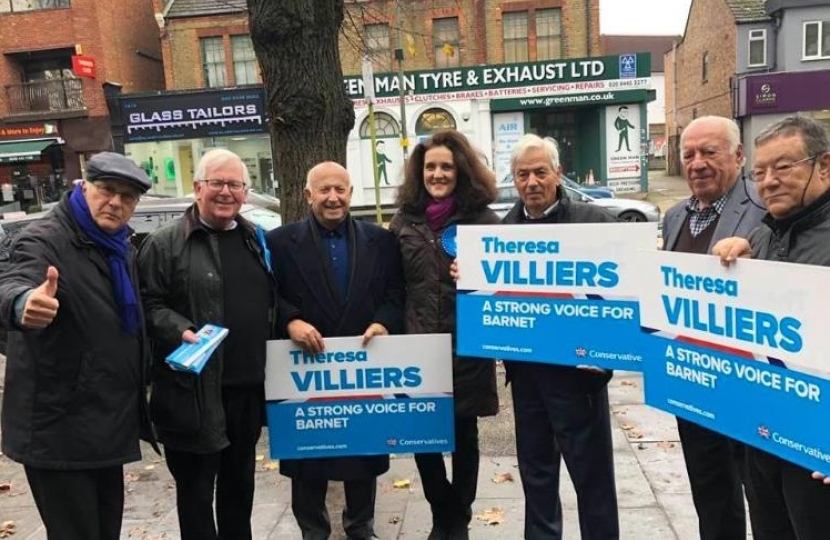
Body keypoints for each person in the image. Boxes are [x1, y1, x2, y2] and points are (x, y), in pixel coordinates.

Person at [0, 152, 154, 540]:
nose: (116, 202)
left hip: (104, 424)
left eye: (127, 197)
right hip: (59, 429)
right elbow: (14, 281)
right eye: (106, 191)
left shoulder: (117, 245)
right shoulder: (46, 237)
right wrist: (23, 303)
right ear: (84, 187)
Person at [136, 148, 277, 540]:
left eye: (235, 184)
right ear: (198, 187)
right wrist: (178, 327)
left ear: (246, 192)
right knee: (196, 497)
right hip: (190, 395)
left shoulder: (254, 239)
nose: (226, 192)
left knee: (239, 492)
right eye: (217, 182)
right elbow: (146, 304)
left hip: (245, 393)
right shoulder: (165, 244)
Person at [266, 161, 405, 540]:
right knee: (306, 453)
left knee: (363, 449)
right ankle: (313, 530)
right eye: (324, 190)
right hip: (305, 367)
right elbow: (266, 295)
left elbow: (396, 293)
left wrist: (385, 322)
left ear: (350, 194)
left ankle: (360, 527)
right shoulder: (279, 243)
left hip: (362, 366)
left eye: (340, 190)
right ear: (308, 195)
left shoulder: (381, 240)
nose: (333, 198)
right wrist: (290, 321)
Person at [713, 115, 830, 540]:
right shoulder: (761, 239)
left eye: (784, 167)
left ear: (825, 165)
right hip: (763, 438)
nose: (768, 182)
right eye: (759, 172)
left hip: (817, 453)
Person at [500, 134, 619, 540]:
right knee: (536, 477)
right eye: (522, 174)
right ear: (514, 180)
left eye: (540, 172)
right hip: (528, 380)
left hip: (579, 378)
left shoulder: (595, 222)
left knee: (593, 480)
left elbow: (626, 292)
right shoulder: (501, 234)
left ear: (558, 174)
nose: (531, 181)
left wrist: (607, 355)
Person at [389, 130, 499, 540]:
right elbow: (390, 284)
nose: (437, 173)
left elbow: (506, 285)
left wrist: (481, 274)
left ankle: (461, 517)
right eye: (430, 166)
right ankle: (442, 512)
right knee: (424, 435)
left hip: (467, 346)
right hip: (417, 348)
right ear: (421, 172)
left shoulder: (484, 220)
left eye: (446, 167)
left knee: (464, 434)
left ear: (461, 172)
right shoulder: (403, 221)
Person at [663, 115, 765, 540]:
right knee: (710, 495)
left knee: (764, 500)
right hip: (695, 384)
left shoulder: (764, 208)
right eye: (689, 154)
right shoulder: (673, 216)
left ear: (739, 156)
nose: (697, 163)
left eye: (709, 152)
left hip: (750, 385)